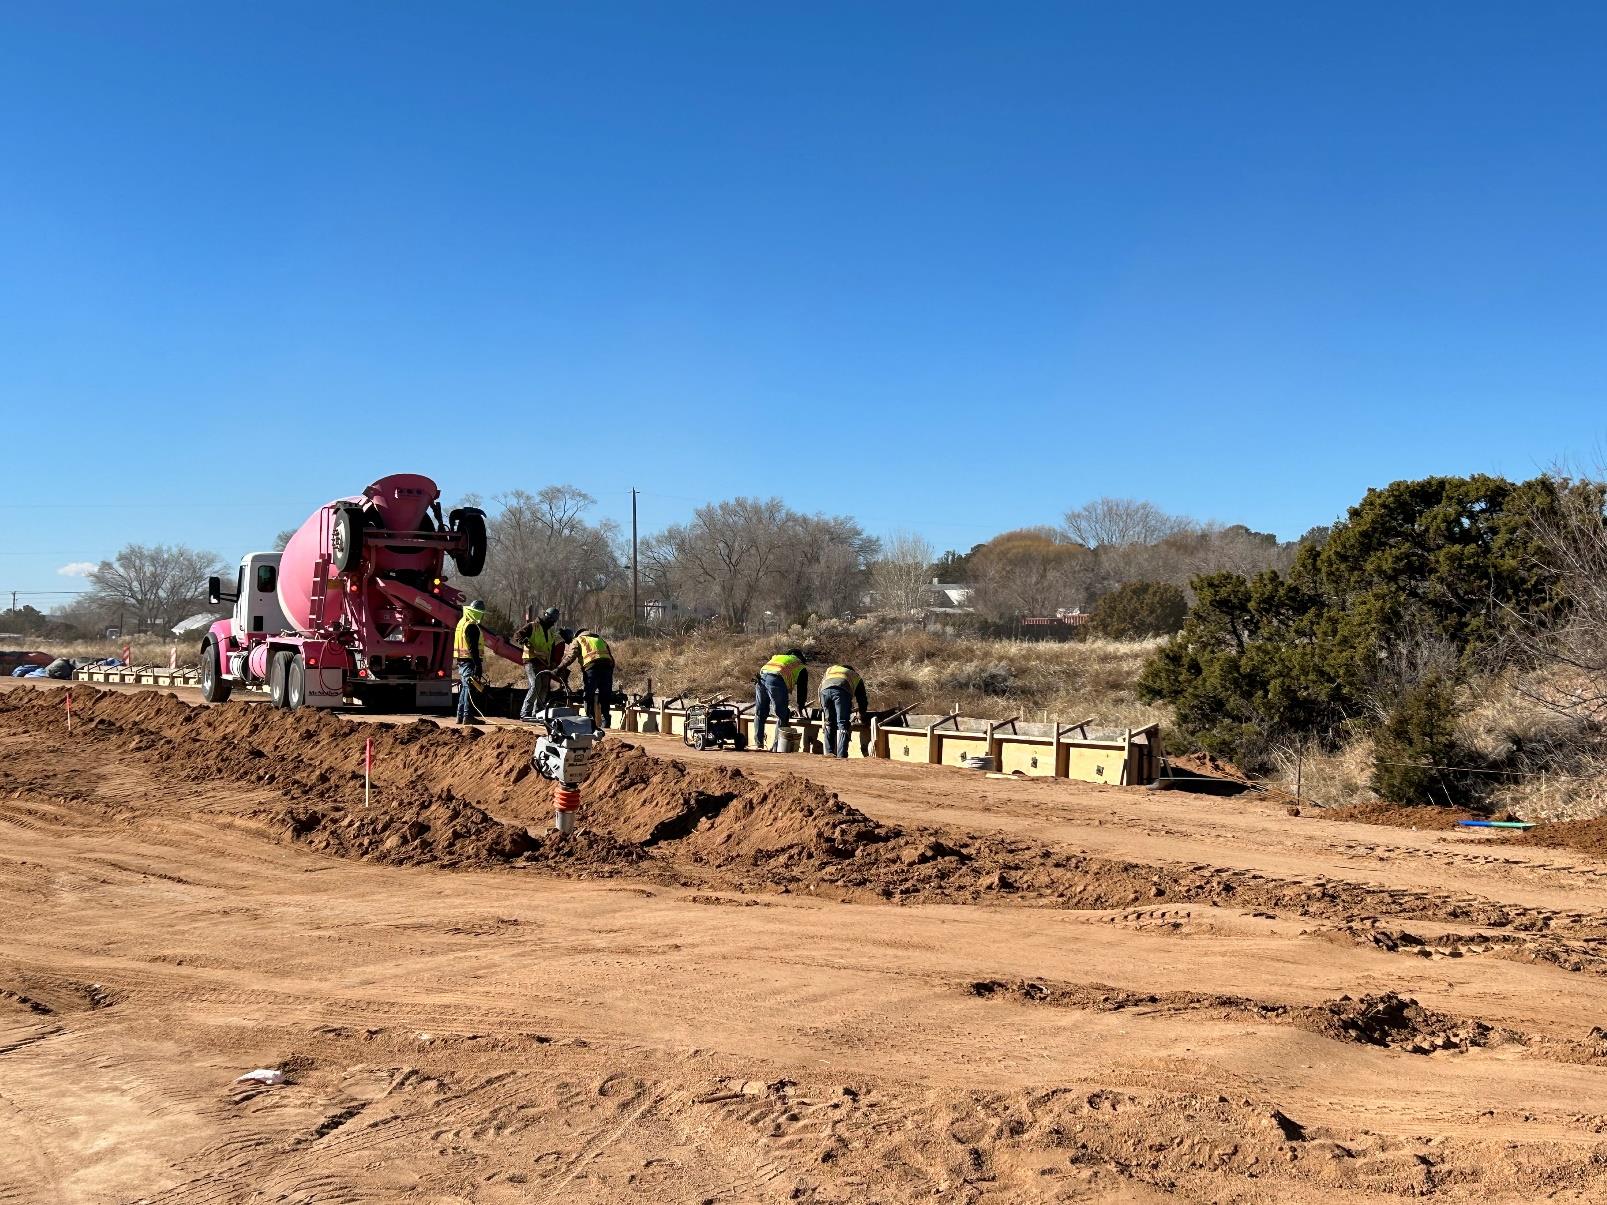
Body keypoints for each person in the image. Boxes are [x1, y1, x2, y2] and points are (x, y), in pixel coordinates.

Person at [556, 627, 614, 728]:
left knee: (589, 695)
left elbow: (570, 657)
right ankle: (606, 722)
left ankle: (590, 721)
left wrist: (558, 669)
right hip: (607, 668)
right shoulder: (600, 639)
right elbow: (611, 658)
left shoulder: (578, 639)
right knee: (605, 697)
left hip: (592, 668)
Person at [753, 648, 807, 752]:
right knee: (783, 714)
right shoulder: (800, 666)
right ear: (801, 658)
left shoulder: (778, 657)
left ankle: (758, 744)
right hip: (775, 680)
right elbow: (802, 690)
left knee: (760, 712)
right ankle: (777, 747)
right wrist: (800, 706)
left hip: (760, 678)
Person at [514, 605, 561, 720]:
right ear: (547, 617)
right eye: (552, 620)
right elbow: (517, 635)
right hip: (531, 660)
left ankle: (538, 713)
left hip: (544, 663)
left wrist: (553, 663)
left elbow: (552, 648)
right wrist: (523, 640)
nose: (553, 623)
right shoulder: (532, 626)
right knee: (535, 685)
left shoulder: (550, 633)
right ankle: (525, 713)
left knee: (544, 687)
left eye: (554, 621)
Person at [452, 599, 491, 725]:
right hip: (469, 661)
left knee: (465, 688)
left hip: (462, 660)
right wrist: (478, 665)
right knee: (470, 687)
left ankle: (461, 716)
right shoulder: (471, 626)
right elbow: (472, 647)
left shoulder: (462, 622)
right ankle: (467, 716)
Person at [819, 663, 869, 758]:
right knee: (843, 723)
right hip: (840, 691)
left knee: (829, 722)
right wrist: (862, 714)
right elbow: (862, 698)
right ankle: (841, 755)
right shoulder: (854, 675)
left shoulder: (831, 669)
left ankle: (829, 752)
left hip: (824, 692)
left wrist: (822, 707)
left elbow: (820, 688)